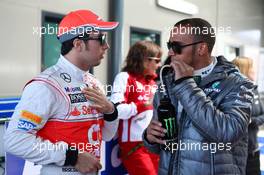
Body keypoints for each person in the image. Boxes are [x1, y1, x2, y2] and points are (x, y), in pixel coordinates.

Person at [4, 9, 119, 175]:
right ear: (78, 44)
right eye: (101, 39)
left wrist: (111, 111)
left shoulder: (94, 83)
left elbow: (107, 135)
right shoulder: (45, 85)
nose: (106, 46)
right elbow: (15, 140)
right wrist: (73, 157)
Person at [143, 18, 255, 175]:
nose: (170, 52)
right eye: (169, 45)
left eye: (176, 46)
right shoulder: (167, 81)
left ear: (201, 48)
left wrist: (185, 84)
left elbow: (229, 133)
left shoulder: (237, 83)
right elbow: (159, 145)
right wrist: (150, 137)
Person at [110, 41, 162, 175]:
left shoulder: (152, 83)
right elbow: (116, 111)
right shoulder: (124, 78)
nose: (159, 65)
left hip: (154, 144)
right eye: (157, 61)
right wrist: (143, 105)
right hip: (134, 146)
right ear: (145, 60)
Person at [232, 57, 264, 175]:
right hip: (236, 151)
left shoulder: (254, 90)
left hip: (253, 148)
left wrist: (253, 121)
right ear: (243, 71)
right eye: (251, 68)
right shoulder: (233, 93)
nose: (254, 71)